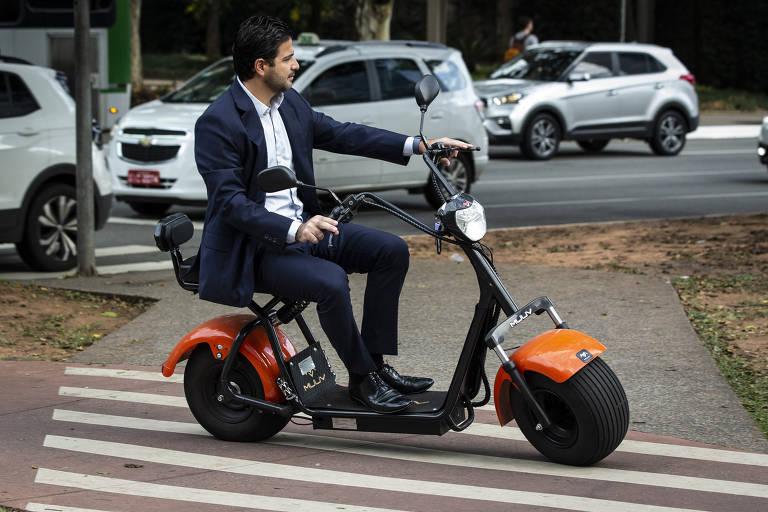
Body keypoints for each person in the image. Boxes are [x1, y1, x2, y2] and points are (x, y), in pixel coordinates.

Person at [193, 15, 472, 414]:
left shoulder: (290, 104)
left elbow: (343, 133)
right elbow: (230, 204)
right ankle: (362, 380)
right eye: (288, 58)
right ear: (261, 66)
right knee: (330, 281)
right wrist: (294, 228)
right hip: (257, 249)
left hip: (307, 231)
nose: (295, 65)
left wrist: (420, 145)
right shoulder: (218, 122)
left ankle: (373, 367)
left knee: (390, 251)